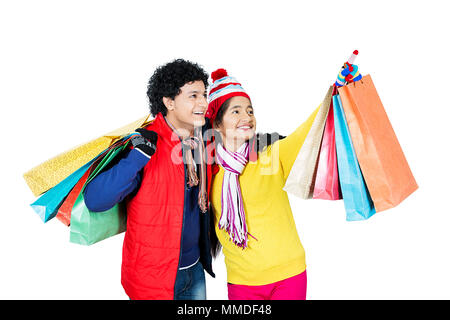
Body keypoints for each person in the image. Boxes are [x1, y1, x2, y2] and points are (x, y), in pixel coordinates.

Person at [83, 59, 215, 300]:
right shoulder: (146, 143)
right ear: (169, 101)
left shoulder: (201, 142)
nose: (203, 103)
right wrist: (136, 157)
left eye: (204, 94)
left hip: (194, 271)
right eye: (193, 95)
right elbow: (95, 200)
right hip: (153, 280)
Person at [206, 68, 319, 300]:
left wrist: (335, 92)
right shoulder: (208, 171)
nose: (247, 118)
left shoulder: (271, 155)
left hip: (289, 275)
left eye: (250, 111)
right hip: (241, 282)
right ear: (217, 124)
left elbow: (307, 133)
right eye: (236, 111)